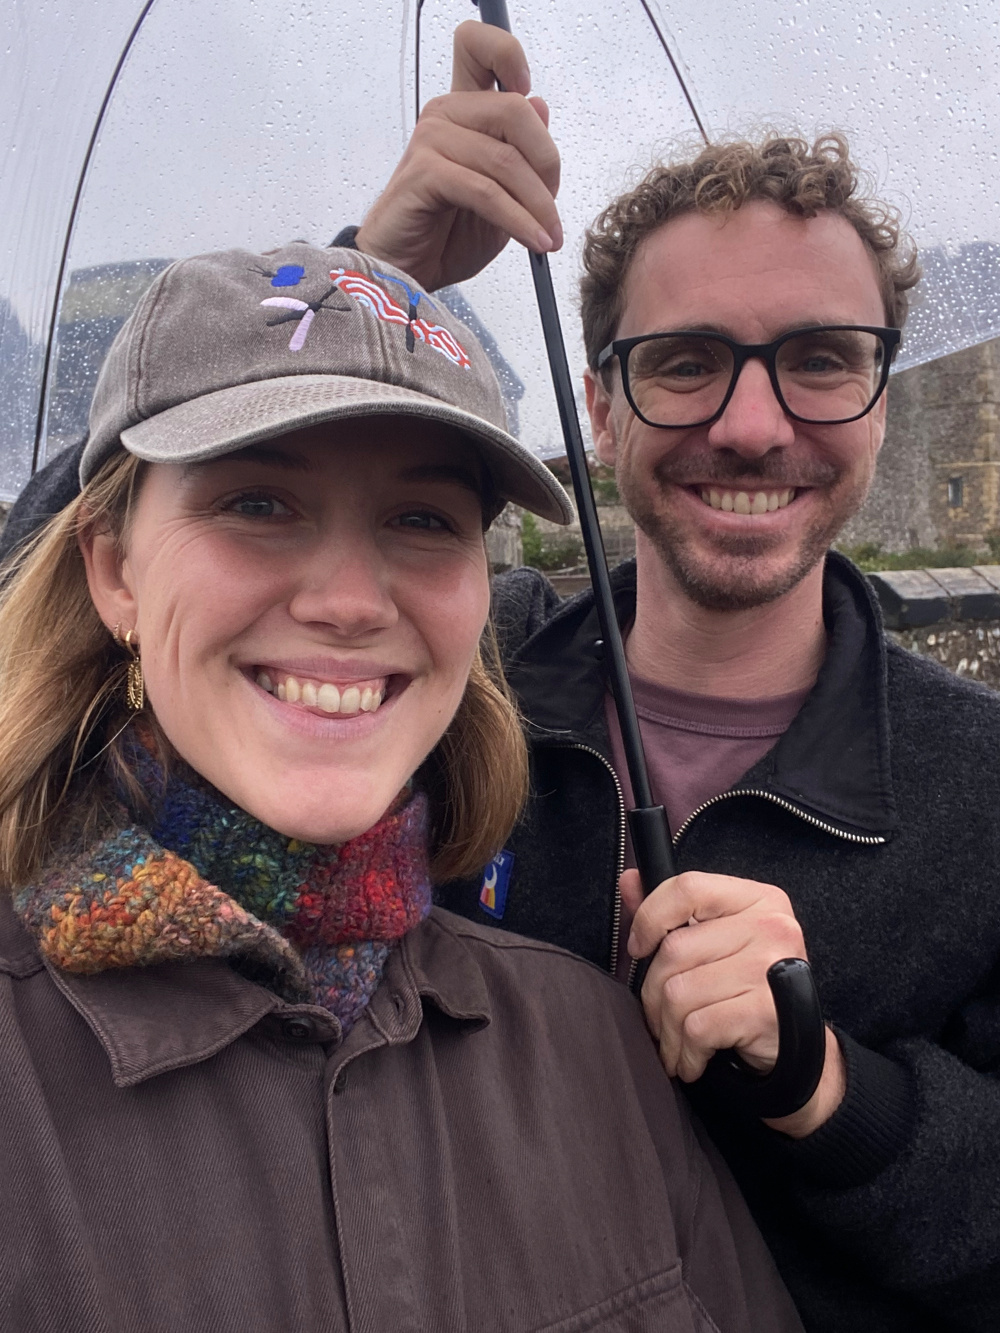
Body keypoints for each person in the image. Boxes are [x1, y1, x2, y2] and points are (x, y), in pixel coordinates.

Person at [0, 240, 802, 1332]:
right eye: (257, 503)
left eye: (422, 520)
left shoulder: (592, 1046)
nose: (345, 600)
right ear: (113, 571)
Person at [343, 22, 1000, 1333]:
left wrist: (831, 1087)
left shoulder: (982, 788)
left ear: (879, 396)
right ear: (599, 409)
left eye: (819, 359)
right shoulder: (442, 680)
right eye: (686, 361)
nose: (751, 424)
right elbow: (83, 610)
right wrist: (373, 274)